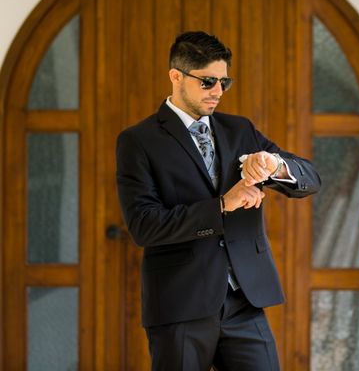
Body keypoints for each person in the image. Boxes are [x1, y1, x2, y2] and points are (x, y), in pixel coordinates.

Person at [116, 31, 321, 371]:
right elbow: (144, 226)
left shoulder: (240, 130)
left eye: (225, 82)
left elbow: (310, 178)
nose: (218, 93)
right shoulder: (138, 141)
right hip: (180, 306)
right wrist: (222, 204)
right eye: (208, 82)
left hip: (245, 301)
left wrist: (275, 165)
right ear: (176, 76)